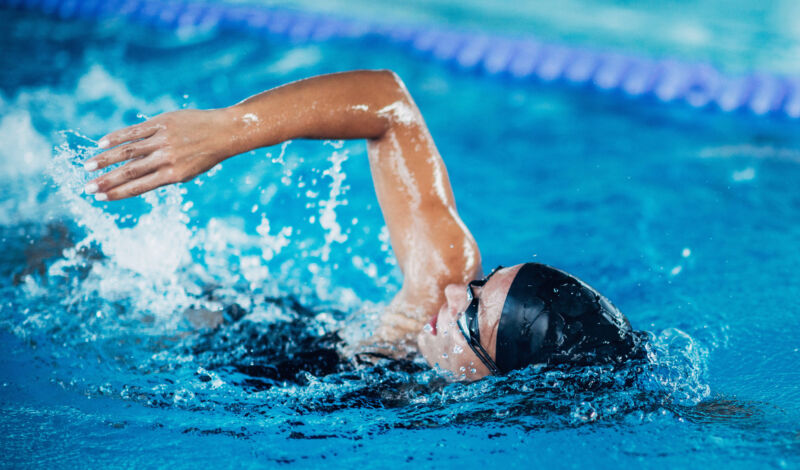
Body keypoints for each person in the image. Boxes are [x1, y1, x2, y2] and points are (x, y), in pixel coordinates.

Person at [84, 70, 643, 380]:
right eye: (480, 284)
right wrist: (228, 130)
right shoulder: (436, 292)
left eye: (472, 316)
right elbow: (387, 103)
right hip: (216, 320)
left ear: (500, 381)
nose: (451, 291)